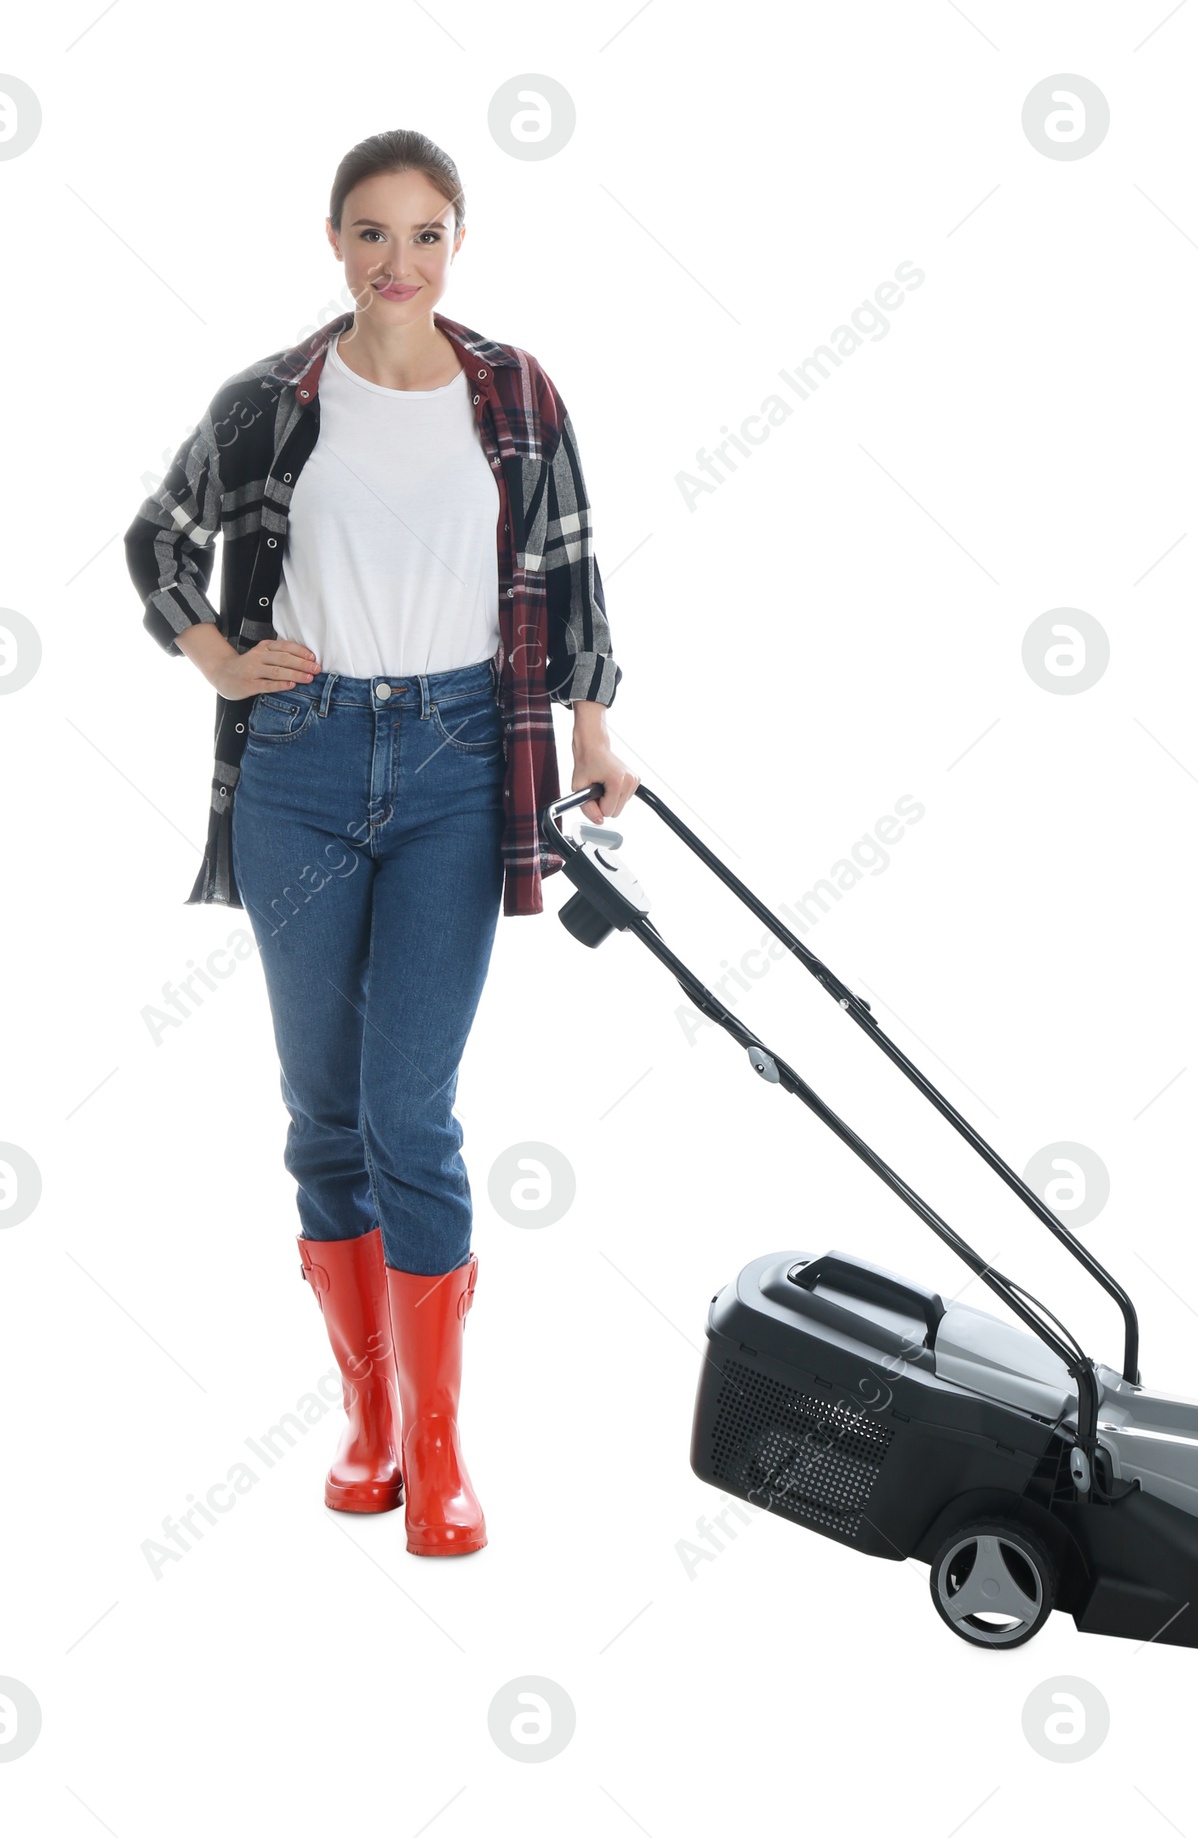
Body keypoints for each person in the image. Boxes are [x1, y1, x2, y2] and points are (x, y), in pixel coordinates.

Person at [123, 128, 638, 1558]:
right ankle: (367, 1418)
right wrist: (221, 659)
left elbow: (576, 572)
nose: (395, 261)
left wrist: (591, 733)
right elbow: (152, 540)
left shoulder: (516, 393)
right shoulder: (272, 402)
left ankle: (439, 1441)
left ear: (457, 241)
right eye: (368, 233)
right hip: (303, 758)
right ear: (334, 244)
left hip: (464, 763)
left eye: (423, 233)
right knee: (321, 1116)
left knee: (411, 1110)